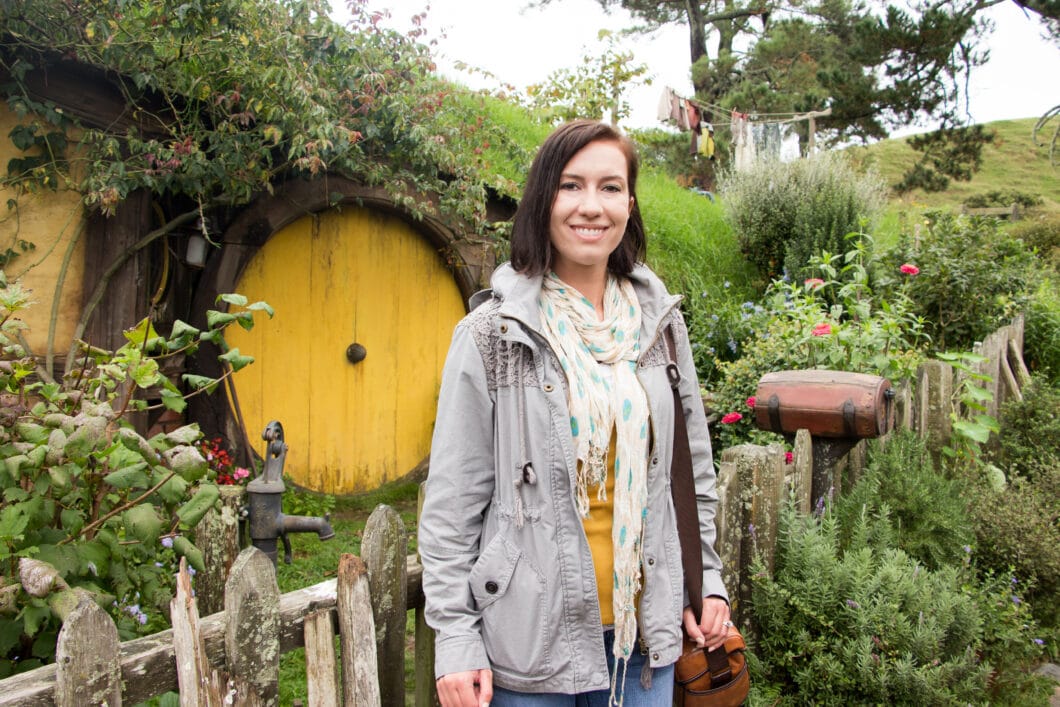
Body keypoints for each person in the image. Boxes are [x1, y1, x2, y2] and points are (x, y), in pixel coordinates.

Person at [418, 120, 730, 707]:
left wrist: (706, 579)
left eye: (610, 188)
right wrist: (457, 638)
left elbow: (692, 471)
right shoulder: (492, 334)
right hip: (530, 645)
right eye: (571, 186)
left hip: (645, 642)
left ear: (629, 204)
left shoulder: (659, 326)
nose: (592, 207)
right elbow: (452, 505)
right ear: (544, 201)